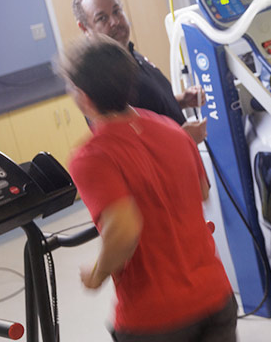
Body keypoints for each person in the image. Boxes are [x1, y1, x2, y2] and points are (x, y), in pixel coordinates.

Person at [58, 35, 236, 341]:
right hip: (215, 296)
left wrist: (97, 275)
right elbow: (202, 192)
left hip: (156, 318)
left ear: (83, 97)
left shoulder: (91, 156)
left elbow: (124, 229)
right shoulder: (173, 130)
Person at [72, 0, 207, 143]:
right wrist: (183, 137)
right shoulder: (101, 82)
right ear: (84, 28)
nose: (115, 21)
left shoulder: (129, 55)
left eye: (116, 11)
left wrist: (182, 101)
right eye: (102, 18)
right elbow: (128, 143)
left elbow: (147, 110)